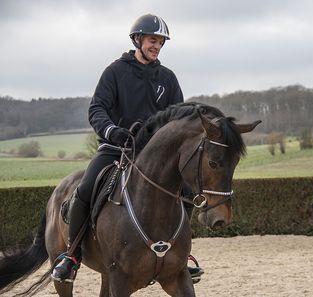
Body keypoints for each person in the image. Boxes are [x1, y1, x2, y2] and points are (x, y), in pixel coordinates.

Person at [51, 13, 203, 283]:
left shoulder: (167, 78)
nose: (157, 46)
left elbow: (177, 118)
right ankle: (72, 255)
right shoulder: (115, 72)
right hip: (115, 149)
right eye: (152, 40)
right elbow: (97, 108)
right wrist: (111, 130)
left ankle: (181, 254)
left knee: (187, 189)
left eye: (160, 42)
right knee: (85, 189)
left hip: (154, 156)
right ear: (137, 39)